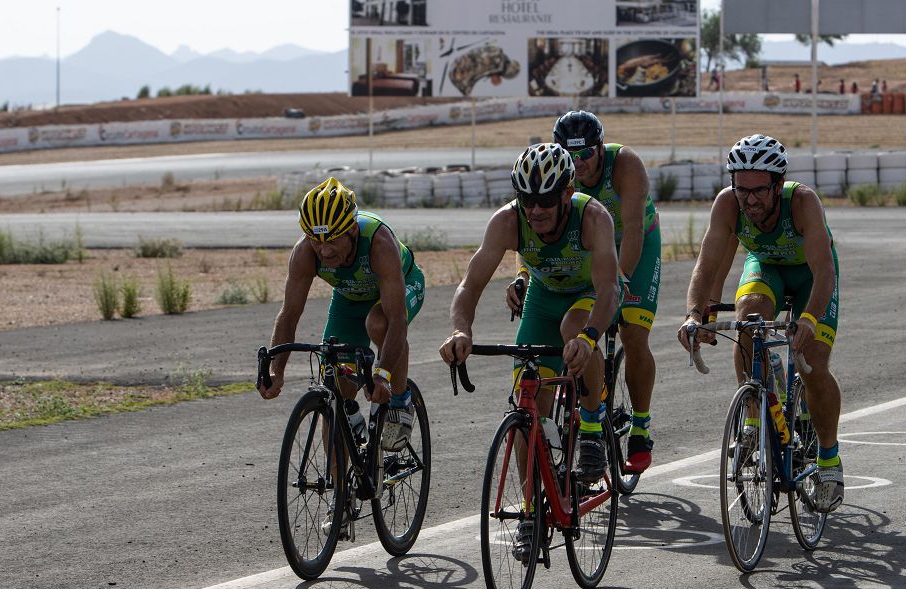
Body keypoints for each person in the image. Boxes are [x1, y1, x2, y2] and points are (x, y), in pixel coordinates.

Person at [440, 143, 620, 554]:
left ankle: (591, 426)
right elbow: (470, 283)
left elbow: (610, 288)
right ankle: (530, 509)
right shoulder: (508, 220)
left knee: (574, 329)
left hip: (589, 294)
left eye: (544, 200)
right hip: (544, 297)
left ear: (566, 192)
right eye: (526, 199)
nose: (534, 210)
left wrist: (591, 337)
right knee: (527, 405)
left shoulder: (592, 217)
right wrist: (460, 330)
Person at [675, 134, 844, 514]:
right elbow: (707, 263)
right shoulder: (727, 204)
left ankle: (829, 458)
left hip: (810, 279)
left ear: (778, 184)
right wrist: (695, 314)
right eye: (741, 190)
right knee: (748, 317)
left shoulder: (802, 202)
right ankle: (754, 415)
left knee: (814, 361)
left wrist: (809, 319)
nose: (749, 200)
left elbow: (824, 271)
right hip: (767, 267)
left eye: (758, 191)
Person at [259, 177, 425, 454]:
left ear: (351, 230)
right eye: (316, 241)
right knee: (335, 384)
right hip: (350, 298)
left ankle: (399, 401)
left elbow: (398, 320)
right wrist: (277, 369)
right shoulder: (304, 253)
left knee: (379, 322)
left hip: (402, 285)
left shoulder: (378, 242)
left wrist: (382, 376)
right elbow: (288, 315)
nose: (324, 250)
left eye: (332, 239)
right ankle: (340, 489)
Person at [550, 110, 662, 473]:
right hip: (592, 247)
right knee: (577, 320)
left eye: (585, 155)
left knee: (633, 334)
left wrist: (621, 280)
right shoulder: (559, 172)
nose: (578, 164)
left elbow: (631, 229)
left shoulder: (625, 165)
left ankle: (641, 427)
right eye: (570, 156)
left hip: (636, 245)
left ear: (601, 149)